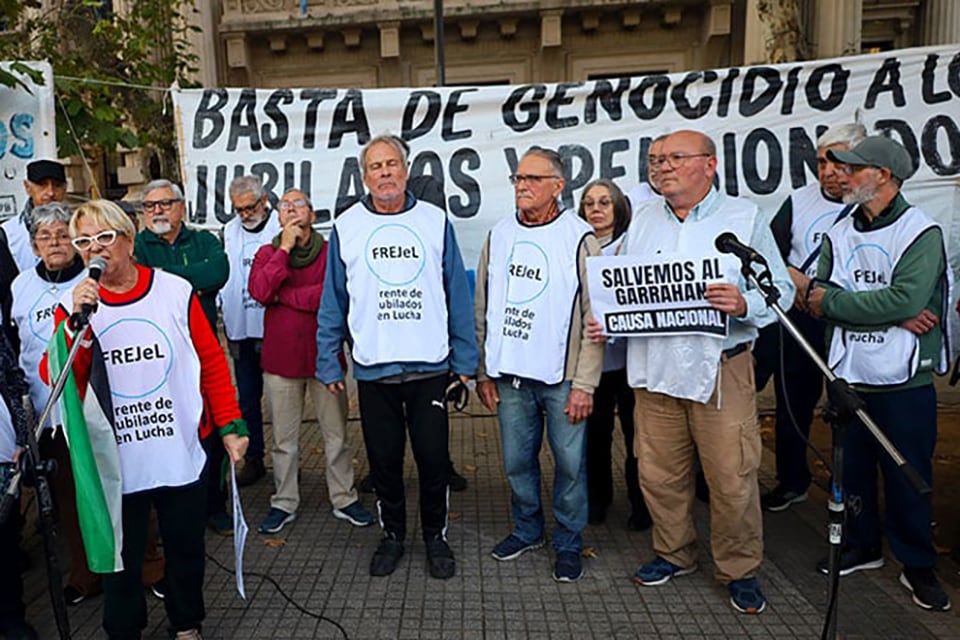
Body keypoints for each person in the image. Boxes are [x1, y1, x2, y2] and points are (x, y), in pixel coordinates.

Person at [46, 199, 248, 640]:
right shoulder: (74, 304)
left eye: (105, 238)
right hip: (116, 459)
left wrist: (231, 425)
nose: (94, 249)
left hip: (178, 446)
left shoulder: (173, 290)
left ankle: (186, 622)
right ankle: (124, 629)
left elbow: (210, 361)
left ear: (129, 240)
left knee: (185, 548)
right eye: (84, 241)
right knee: (121, 554)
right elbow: (57, 375)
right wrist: (73, 330)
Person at [617, 130, 794, 614]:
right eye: (655, 159)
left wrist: (744, 303)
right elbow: (623, 281)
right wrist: (610, 313)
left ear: (710, 165)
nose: (662, 167)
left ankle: (739, 568)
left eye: (675, 157)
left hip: (722, 368)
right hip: (654, 368)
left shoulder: (743, 218)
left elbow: (782, 289)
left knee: (731, 477)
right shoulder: (643, 218)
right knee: (659, 474)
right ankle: (673, 553)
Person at [316, 134, 477, 580]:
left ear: (406, 171)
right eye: (375, 167)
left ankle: (435, 537)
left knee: (432, 460)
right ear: (364, 176)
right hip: (374, 370)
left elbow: (456, 294)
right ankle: (392, 536)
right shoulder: (346, 227)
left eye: (392, 164)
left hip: (429, 368)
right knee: (384, 463)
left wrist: (466, 361)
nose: (385, 173)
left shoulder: (435, 221)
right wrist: (328, 358)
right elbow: (334, 300)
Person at [808, 136, 952, 612]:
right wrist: (883, 311)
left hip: (904, 378)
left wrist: (846, 305)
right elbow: (816, 298)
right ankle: (862, 545)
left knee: (908, 471)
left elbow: (907, 300)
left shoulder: (919, 230)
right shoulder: (840, 228)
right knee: (852, 472)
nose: (841, 176)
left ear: (884, 176)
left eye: (852, 169)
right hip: (850, 373)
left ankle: (917, 563)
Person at [10, 203, 166, 605]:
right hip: (49, 410)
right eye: (45, 237)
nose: (56, 243)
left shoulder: (92, 278)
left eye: (63, 235)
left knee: (128, 490)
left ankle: (149, 566)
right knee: (69, 497)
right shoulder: (20, 286)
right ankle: (86, 574)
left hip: (100, 407)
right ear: (33, 244)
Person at [476, 146, 603, 583]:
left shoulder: (580, 236)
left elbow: (595, 314)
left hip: (563, 379)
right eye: (518, 179)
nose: (523, 186)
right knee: (516, 461)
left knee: (570, 466)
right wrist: (484, 370)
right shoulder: (500, 234)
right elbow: (483, 304)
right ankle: (528, 529)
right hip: (511, 377)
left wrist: (585, 383)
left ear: (558, 186)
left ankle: (568, 541)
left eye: (532, 179)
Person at [753, 123, 866, 512]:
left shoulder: (869, 203)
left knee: (848, 409)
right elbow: (767, 254)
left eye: (837, 161)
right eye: (821, 162)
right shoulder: (798, 201)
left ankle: (849, 492)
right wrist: (793, 279)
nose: (829, 171)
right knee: (792, 404)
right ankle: (791, 481)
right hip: (800, 319)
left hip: (847, 324)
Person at [249, 188, 373, 534]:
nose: (290, 209)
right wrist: (285, 250)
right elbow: (260, 291)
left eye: (297, 204)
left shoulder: (333, 253)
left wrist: (285, 296)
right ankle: (284, 501)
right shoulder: (267, 253)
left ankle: (344, 498)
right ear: (277, 218)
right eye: (284, 205)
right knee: (284, 441)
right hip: (281, 363)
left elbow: (334, 296)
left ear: (313, 215)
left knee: (337, 435)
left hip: (326, 361)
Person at [133, 179, 232, 535]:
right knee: (169, 431)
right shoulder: (136, 247)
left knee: (211, 429)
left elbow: (218, 272)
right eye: (149, 206)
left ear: (181, 207)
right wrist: (191, 280)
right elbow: (141, 281)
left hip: (202, 352)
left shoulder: (204, 240)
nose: (157, 211)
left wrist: (164, 279)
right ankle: (170, 510)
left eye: (165, 203)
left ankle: (214, 504)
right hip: (158, 359)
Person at [577, 179, 651, 531]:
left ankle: (642, 503)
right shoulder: (574, 244)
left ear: (619, 207)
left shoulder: (635, 244)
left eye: (605, 202)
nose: (596, 208)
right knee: (596, 435)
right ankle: (597, 500)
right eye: (589, 202)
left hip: (633, 359)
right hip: (595, 363)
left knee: (638, 436)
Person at [223, 176, 280, 487]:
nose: (245, 215)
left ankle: (287, 462)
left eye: (250, 207)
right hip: (240, 329)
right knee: (247, 400)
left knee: (281, 401)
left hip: (274, 330)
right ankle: (255, 457)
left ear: (264, 201)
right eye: (239, 209)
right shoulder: (229, 231)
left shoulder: (279, 228)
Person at [0, 269, 38, 640]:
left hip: (2, 447)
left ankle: (11, 617)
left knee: (5, 541)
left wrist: (24, 434)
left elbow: (13, 378)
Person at [3, 159, 67, 271]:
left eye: (57, 185)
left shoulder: (78, 227)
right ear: (28, 187)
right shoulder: (7, 233)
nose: (51, 192)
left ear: (65, 188)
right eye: (42, 185)